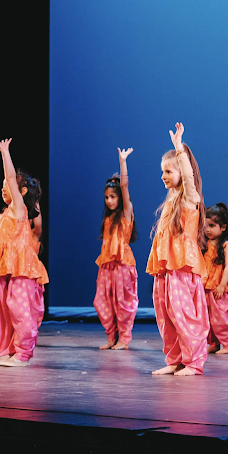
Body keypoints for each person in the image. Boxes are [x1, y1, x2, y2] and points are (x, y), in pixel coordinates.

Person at [147, 122, 209, 376]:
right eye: (162, 171)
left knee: (183, 313)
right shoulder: (171, 198)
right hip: (167, 268)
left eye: (168, 171)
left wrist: (179, 148)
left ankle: (193, 362)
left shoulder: (189, 197)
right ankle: (175, 359)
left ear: (182, 172)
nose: (163, 176)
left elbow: (189, 178)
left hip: (183, 267)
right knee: (165, 314)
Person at [0, 138, 48, 367]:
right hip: (3, 268)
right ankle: (7, 351)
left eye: (7, 186)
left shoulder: (19, 209)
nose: (3, 189)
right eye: (2, 186)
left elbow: (10, 177)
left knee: (19, 310)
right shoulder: (5, 213)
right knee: (1, 310)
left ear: (22, 191)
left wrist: (5, 153)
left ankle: (22, 354)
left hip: (20, 269)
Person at [94, 147, 138, 350]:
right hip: (107, 264)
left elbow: (125, 186)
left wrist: (123, 162)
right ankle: (111, 337)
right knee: (102, 301)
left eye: (113, 196)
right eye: (106, 197)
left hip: (122, 264)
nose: (110, 200)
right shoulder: (108, 218)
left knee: (123, 302)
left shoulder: (126, 214)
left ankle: (124, 339)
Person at [203, 203, 228, 354]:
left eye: (211, 225)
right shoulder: (204, 244)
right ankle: (213, 343)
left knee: (220, 317)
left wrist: (222, 285)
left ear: (223, 227)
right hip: (206, 285)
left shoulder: (225, 245)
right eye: (205, 226)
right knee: (207, 317)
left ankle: (227, 345)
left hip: (219, 286)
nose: (207, 230)